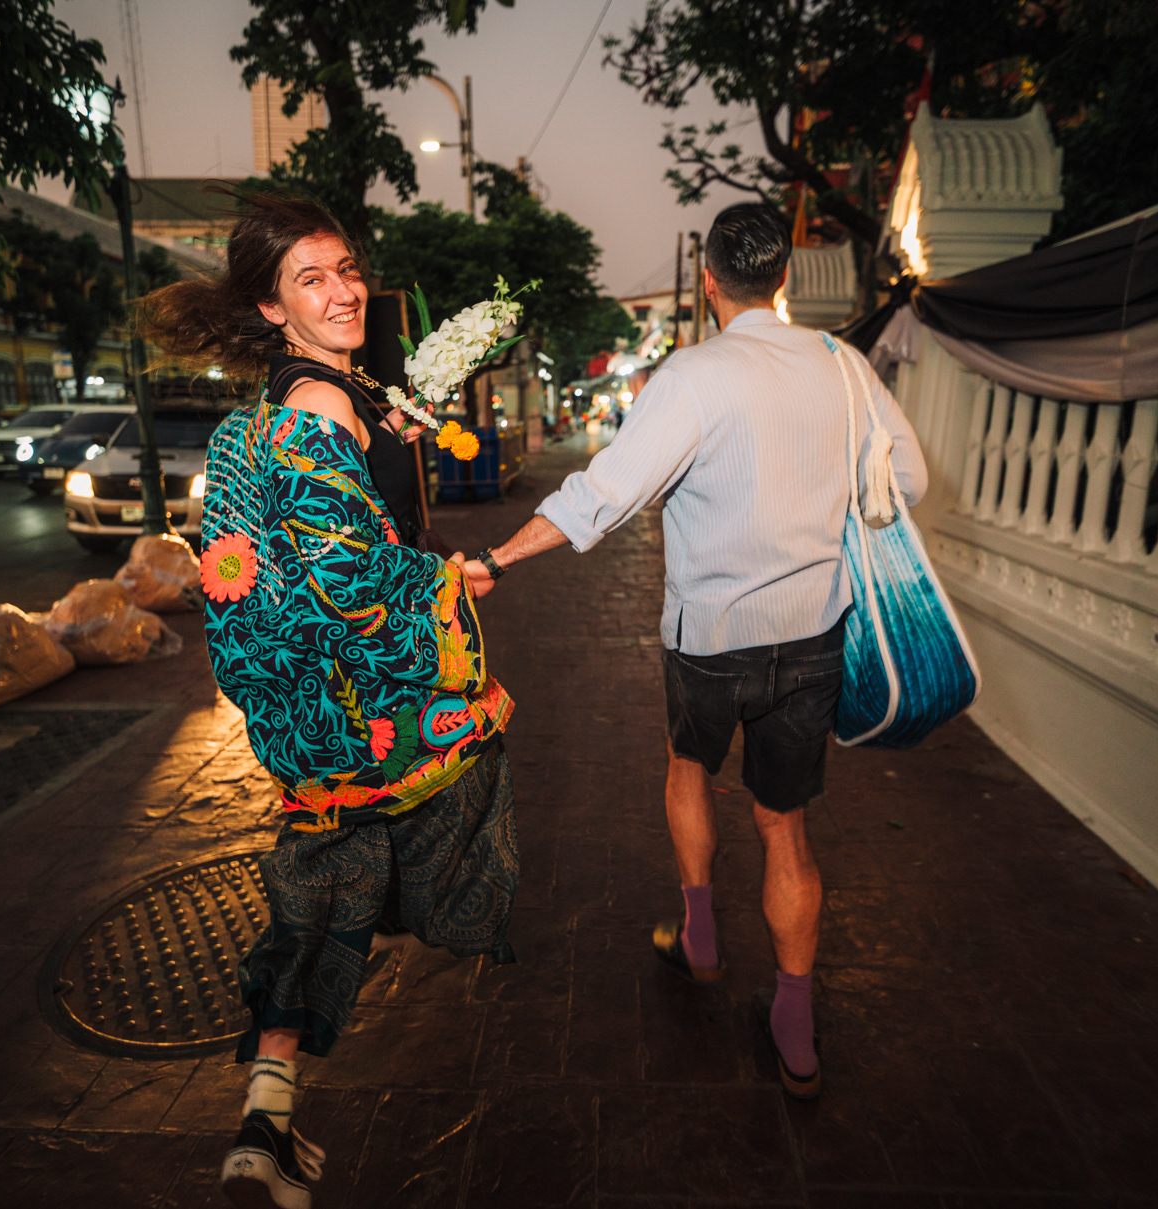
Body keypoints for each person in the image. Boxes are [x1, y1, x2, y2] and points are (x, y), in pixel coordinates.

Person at [459, 202, 926, 1100]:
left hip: (710, 640)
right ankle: (795, 1025)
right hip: (812, 635)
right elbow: (907, 478)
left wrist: (498, 558)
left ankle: (701, 932)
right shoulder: (845, 366)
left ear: (710, 281)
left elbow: (605, 493)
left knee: (687, 769)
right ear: (782, 279)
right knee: (785, 825)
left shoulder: (693, 376)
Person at [140, 193, 517, 1209]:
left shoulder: (306, 395)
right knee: (361, 885)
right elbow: (348, 577)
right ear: (273, 308)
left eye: (346, 269)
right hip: (368, 709)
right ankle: (264, 1123)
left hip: (322, 713)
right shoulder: (317, 405)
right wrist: (455, 587)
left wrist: (391, 431)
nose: (343, 291)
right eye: (311, 280)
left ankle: (266, 1119)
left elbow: (337, 511)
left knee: (319, 893)